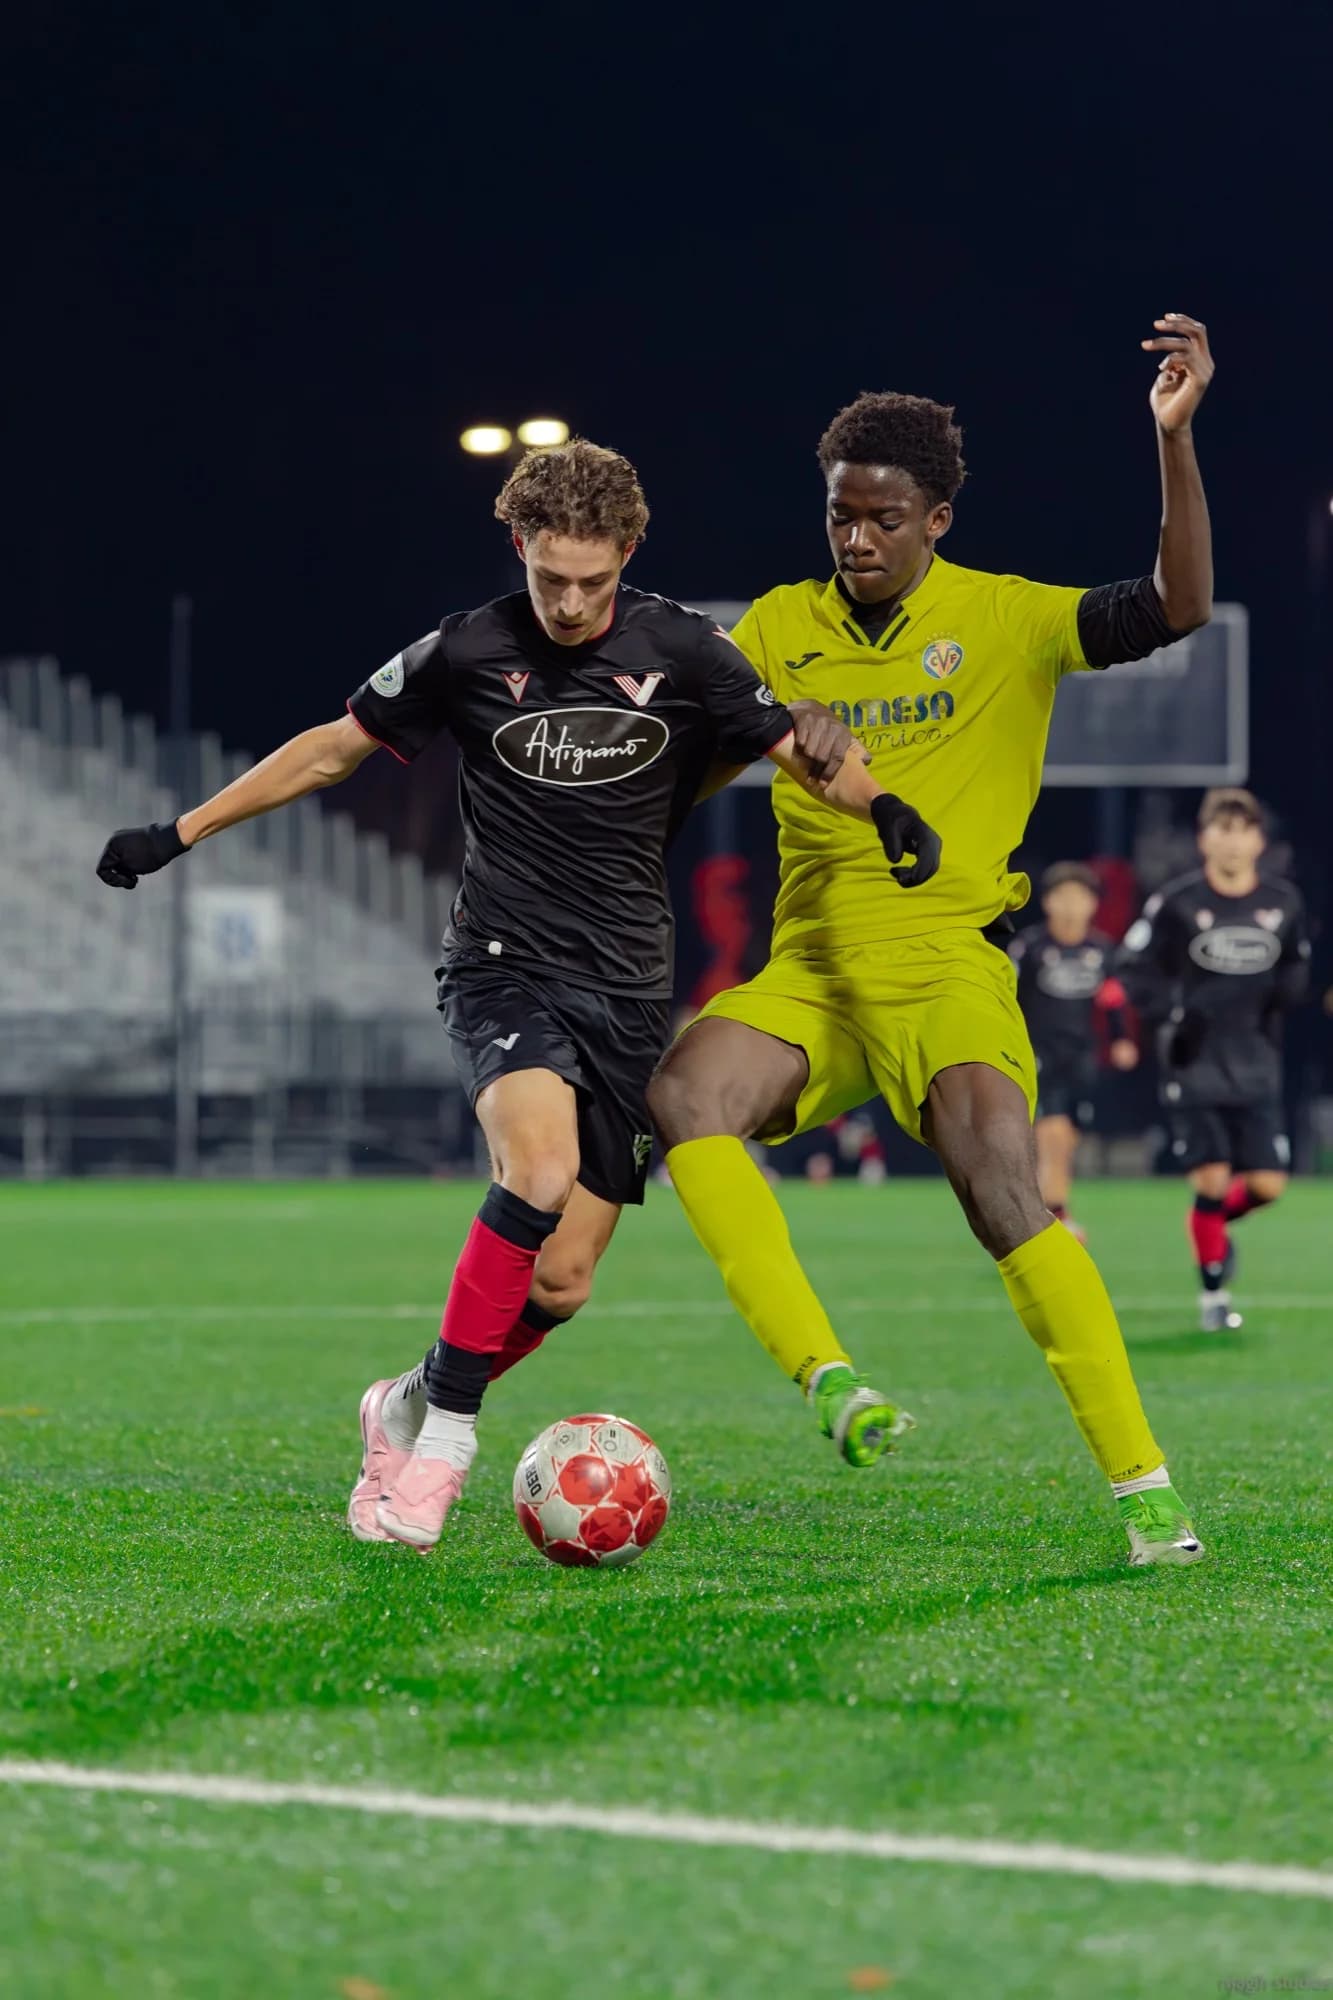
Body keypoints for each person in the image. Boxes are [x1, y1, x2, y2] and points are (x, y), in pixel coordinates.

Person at [95, 437, 940, 1552]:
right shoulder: (466, 647)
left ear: (628, 553)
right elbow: (328, 752)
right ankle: (442, 1441)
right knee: (533, 1167)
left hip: (631, 994)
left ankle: (402, 1397)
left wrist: (886, 810)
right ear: (519, 548)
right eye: (551, 579)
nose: (573, 602)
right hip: (503, 963)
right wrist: (179, 831)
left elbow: (797, 747)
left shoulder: (687, 648)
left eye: (594, 580)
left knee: (564, 1281)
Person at [647, 312, 1217, 1567]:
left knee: (1004, 1197)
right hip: (811, 970)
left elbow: (1179, 603)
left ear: (937, 518)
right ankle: (827, 1376)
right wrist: (755, 724)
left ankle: (1144, 1488)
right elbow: (686, 748)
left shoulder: (1009, 620)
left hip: (949, 965)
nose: (855, 537)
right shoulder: (774, 627)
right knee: (684, 1096)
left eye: (883, 517)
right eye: (840, 514)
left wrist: (1171, 442)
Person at [1119, 788, 1308, 1332]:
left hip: (1256, 1061)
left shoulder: (1283, 902)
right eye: (1220, 830)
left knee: (1268, 1185)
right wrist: (1175, 1011)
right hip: (1193, 1061)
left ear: (1258, 840)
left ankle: (1210, 1226)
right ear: (1204, 839)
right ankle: (1214, 1298)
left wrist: (1287, 997)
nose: (1231, 841)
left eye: (1241, 829)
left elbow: (1296, 966)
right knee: (1210, 1176)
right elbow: (1133, 968)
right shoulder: (1175, 903)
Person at [1010, 861, 1138, 1241]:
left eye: (1080, 898)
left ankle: (1035, 1209)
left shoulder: (1101, 950)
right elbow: (1008, 997)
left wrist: (1121, 1040)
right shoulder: (1030, 949)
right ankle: (1057, 1218)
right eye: (1063, 897)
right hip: (1038, 1051)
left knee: (1066, 1140)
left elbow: (1112, 1000)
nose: (1071, 906)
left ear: (1092, 905)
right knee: (1053, 1133)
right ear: (1048, 903)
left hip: (1082, 1056)